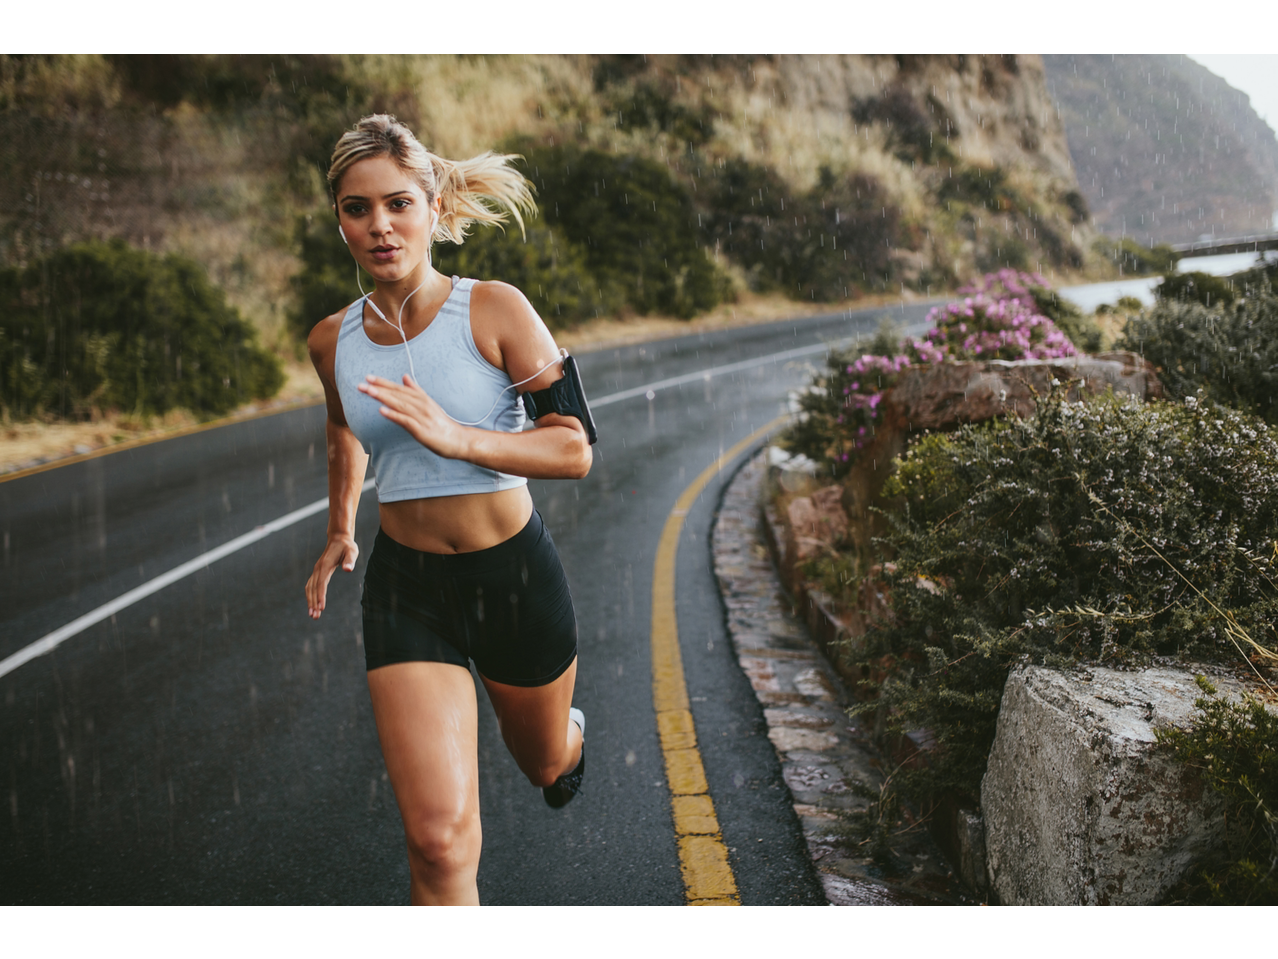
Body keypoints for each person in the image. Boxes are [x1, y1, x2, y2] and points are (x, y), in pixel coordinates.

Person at [304, 115, 590, 906]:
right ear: (340, 219)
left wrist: (459, 437)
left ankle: (570, 743)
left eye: (398, 203)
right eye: (357, 209)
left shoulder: (496, 310)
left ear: (433, 207)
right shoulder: (332, 340)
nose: (380, 226)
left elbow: (573, 448)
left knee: (541, 763)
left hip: (513, 577)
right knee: (436, 839)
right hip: (408, 592)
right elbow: (341, 425)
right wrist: (339, 527)